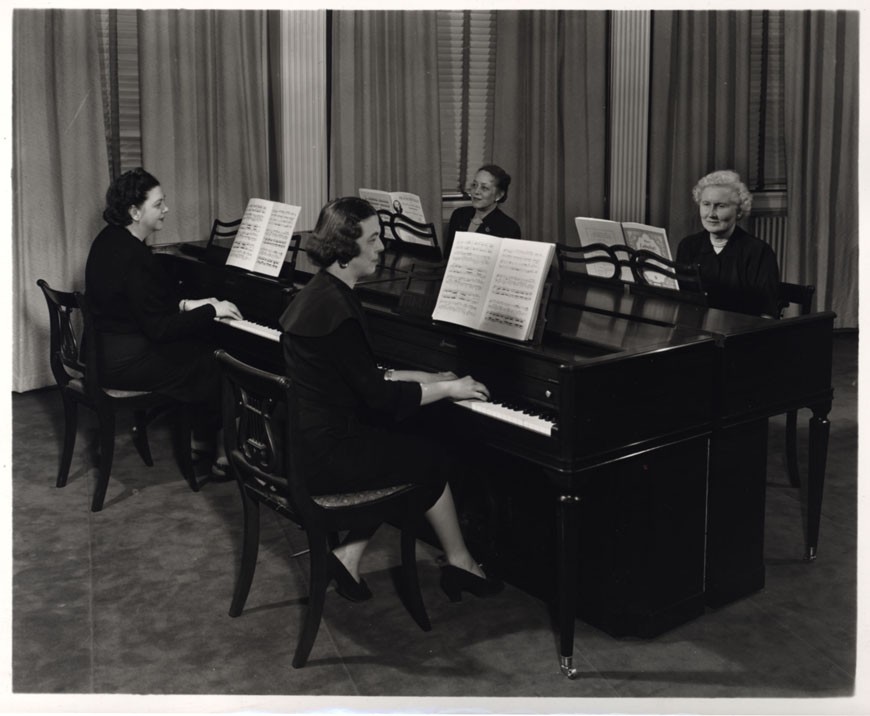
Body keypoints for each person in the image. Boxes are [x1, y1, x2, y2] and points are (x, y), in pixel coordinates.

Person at [279, 196, 503, 603]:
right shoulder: (340, 310)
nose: (382, 248)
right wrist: (450, 389)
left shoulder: (319, 294)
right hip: (329, 458)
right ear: (346, 250)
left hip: (307, 444)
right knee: (429, 456)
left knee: (402, 448)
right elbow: (379, 396)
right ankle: (461, 563)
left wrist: (429, 377)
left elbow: (360, 376)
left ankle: (347, 557)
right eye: (374, 239)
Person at [85, 167, 242, 472]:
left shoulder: (111, 240)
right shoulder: (135, 257)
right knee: (216, 359)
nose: (166, 209)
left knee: (199, 346)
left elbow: (143, 303)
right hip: (124, 363)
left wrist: (188, 303)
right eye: (158, 205)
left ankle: (203, 435)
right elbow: (159, 328)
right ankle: (223, 449)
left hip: (105, 352)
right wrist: (211, 310)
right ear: (134, 211)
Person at [676, 170, 780, 317]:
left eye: (721, 206)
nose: (711, 214)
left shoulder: (758, 252)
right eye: (706, 204)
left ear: (739, 211)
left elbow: (767, 313)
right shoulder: (688, 246)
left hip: (740, 334)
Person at [443, 164, 521, 258]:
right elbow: (447, 258)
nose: (476, 192)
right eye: (474, 185)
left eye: (484, 188)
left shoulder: (509, 228)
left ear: (498, 195)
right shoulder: (459, 215)